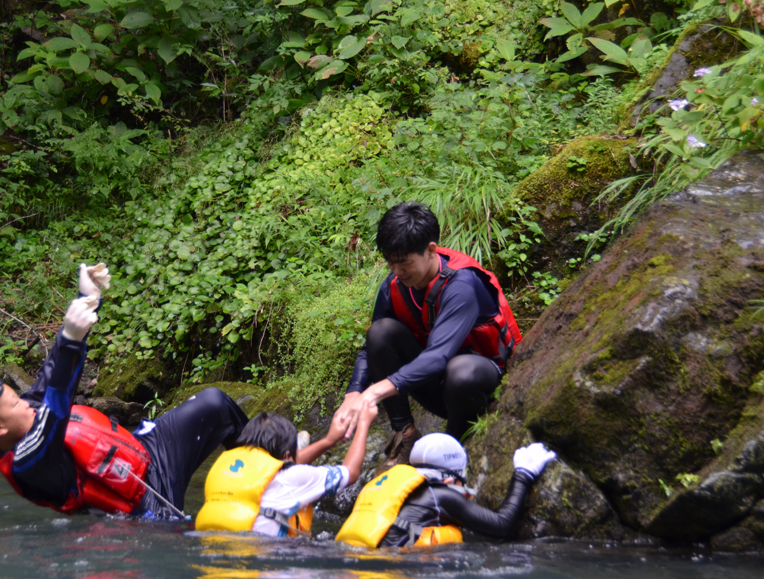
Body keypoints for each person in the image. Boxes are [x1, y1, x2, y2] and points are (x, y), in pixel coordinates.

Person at [0, 262, 248, 520]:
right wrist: (72, 338)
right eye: (14, 404)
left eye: (17, 396)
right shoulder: (28, 464)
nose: (24, 403)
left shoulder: (26, 410)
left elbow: (52, 371)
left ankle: (269, 471)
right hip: (143, 505)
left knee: (215, 403)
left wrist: (88, 300)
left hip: (147, 453)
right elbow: (56, 407)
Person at [335, 202, 523, 470]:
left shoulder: (462, 284)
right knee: (380, 332)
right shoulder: (394, 286)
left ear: (431, 250)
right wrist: (354, 392)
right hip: (441, 387)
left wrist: (374, 392)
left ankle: (450, 450)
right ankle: (405, 436)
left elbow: (438, 355)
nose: (397, 271)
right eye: (390, 262)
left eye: (404, 262)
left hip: (483, 387)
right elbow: (370, 350)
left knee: (462, 370)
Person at [336, 434, 556, 548]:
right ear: (452, 477)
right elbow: (502, 525)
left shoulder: (393, 485)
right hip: (389, 569)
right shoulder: (442, 495)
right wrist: (523, 475)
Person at [195, 400, 378, 537]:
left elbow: (283, 466)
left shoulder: (225, 467)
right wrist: (364, 423)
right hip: (269, 560)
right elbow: (351, 472)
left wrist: (329, 441)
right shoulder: (291, 477)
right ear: (286, 454)